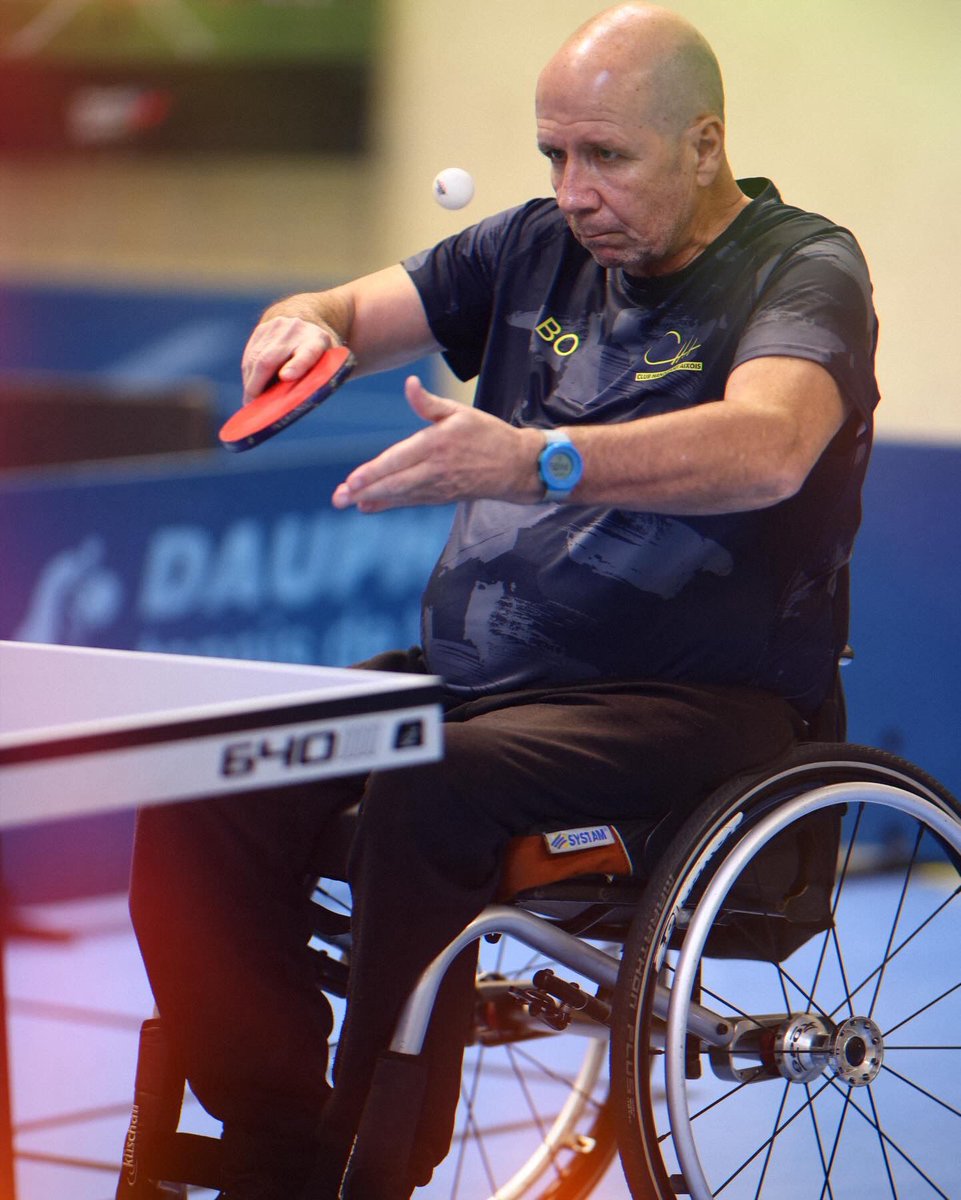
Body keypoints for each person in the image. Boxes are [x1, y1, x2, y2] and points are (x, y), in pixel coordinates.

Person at [128, 4, 880, 1198]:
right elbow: (352, 312)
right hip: (483, 692)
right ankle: (274, 1137)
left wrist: (538, 456)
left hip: (695, 711)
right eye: (555, 156)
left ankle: (364, 1167)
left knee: (436, 782)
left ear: (703, 143)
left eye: (608, 158)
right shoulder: (532, 247)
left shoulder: (803, 267)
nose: (575, 191)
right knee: (204, 772)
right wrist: (302, 326)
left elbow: (770, 446)